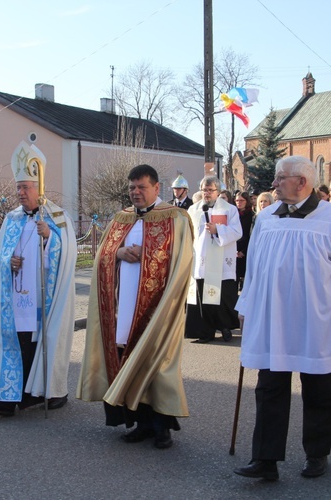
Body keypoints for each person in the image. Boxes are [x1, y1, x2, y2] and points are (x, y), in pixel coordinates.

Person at [234, 156, 331, 481]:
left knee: (320, 388)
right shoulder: (266, 218)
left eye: (280, 178)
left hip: (318, 321)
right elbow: (254, 269)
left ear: (302, 182)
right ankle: (265, 459)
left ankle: (317, 454)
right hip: (272, 319)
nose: (274, 184)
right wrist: (246, 307)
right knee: (269, 388)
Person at [77, 164, 193, 449]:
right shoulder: (121, 218)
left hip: (157, 305)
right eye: (132, 188)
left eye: (142, 187)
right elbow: (102, 254)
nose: (136, 192)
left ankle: (162, 427)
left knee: (156, 362)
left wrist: (149, 254)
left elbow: (183, 260)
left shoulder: (176, 218)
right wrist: (118, 252)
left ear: (156, 188)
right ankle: (140, 423)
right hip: (123, 306)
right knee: (126, 358)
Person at [0, 141, 77, 417]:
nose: (20, 193)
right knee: (14, 344)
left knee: (40, 345)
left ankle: (48, 393)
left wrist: (49, 239)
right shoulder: (11, 219)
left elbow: (68, 254)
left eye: (26, 188)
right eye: (18, 187)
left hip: (44, 300)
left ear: (39, 188)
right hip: (16, 299)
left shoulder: (57, 217)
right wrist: (8, 261)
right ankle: (6, 399)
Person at [185, 176, 243, 343]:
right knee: (201, 298)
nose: (207, 193)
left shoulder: (229, 210)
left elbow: (237, 232)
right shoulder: (193, 210)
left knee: (221, 298)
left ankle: (224, 327)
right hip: (200, 261)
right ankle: (204, 332)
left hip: (220, 261)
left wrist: (217, 230)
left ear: (218, 192)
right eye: (204, 190)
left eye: (210, 190)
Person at [234, 192, 254, 291]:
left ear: (247, 201)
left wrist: (243, 251)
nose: (239, 203)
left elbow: (251, 236)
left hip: (246, 250)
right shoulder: (233, 214)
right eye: (237, 200)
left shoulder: (252, 216)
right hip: (234, 251)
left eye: (242, 200)